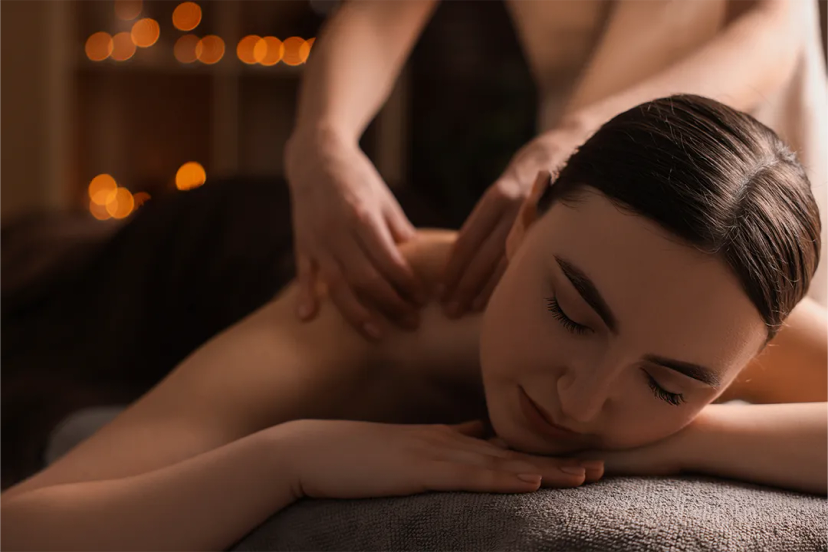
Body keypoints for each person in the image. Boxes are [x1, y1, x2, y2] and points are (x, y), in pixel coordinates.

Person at [1, 95, 827, 552]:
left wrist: (685, 437)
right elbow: (24, 527)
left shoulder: (699, 300)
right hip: (217, 260)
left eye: (666, 383)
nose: (582, 404)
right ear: (527, 219)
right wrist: (290, 458)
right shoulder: (348, 329)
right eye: (570, 315)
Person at [285, 0, 828, 341]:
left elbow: (771, 26)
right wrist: (320, 140)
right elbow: (381, 15)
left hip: (747, 169)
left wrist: (584, 134)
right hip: (583, 173)